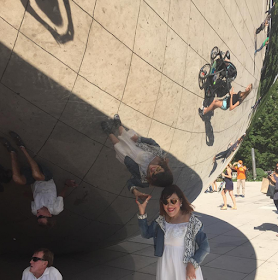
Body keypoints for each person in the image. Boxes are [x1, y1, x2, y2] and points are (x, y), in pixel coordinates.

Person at [0, 131, 77, 226]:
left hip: (34, 181)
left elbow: (34, 198)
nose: (38, 215)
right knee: (37, 175)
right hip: (46, 177)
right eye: (41, 216)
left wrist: (28, 195)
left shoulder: (34, 210)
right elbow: (61, 196)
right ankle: (22, 147)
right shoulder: (56, 209)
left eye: (37, 217)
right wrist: (67, 185)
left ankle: (12, 152)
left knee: (17, 180)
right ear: (49, 215)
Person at [136, 185, 210, 280]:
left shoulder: (192, 222)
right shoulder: (161, 221)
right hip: (165, 267)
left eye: (173, 201)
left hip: (184, 268)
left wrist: (192, 264)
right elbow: (145, 234)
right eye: (165, 202)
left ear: (181, 201)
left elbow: (205, 247)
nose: (169, 205)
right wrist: (142, 212)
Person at [101, 115, 173, 200]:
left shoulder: (145, 181)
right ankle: (119, 125)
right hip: (137, 146)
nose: (153, 170)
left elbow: (130, 182)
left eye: (153, 175)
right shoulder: (160, 156)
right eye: (158, 170)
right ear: (163, 167)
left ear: (153, 180)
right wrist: (139, 139)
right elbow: (151, 142)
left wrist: (134, 191)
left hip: (127, 157)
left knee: (117, 144)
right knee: (124, 134)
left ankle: (109, 132)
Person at [268, 162, 278, 237]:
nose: (277, 168)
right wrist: (270, 179)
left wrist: (275, 181)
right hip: (275, 196)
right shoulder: (273, 175)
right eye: (277, 166)